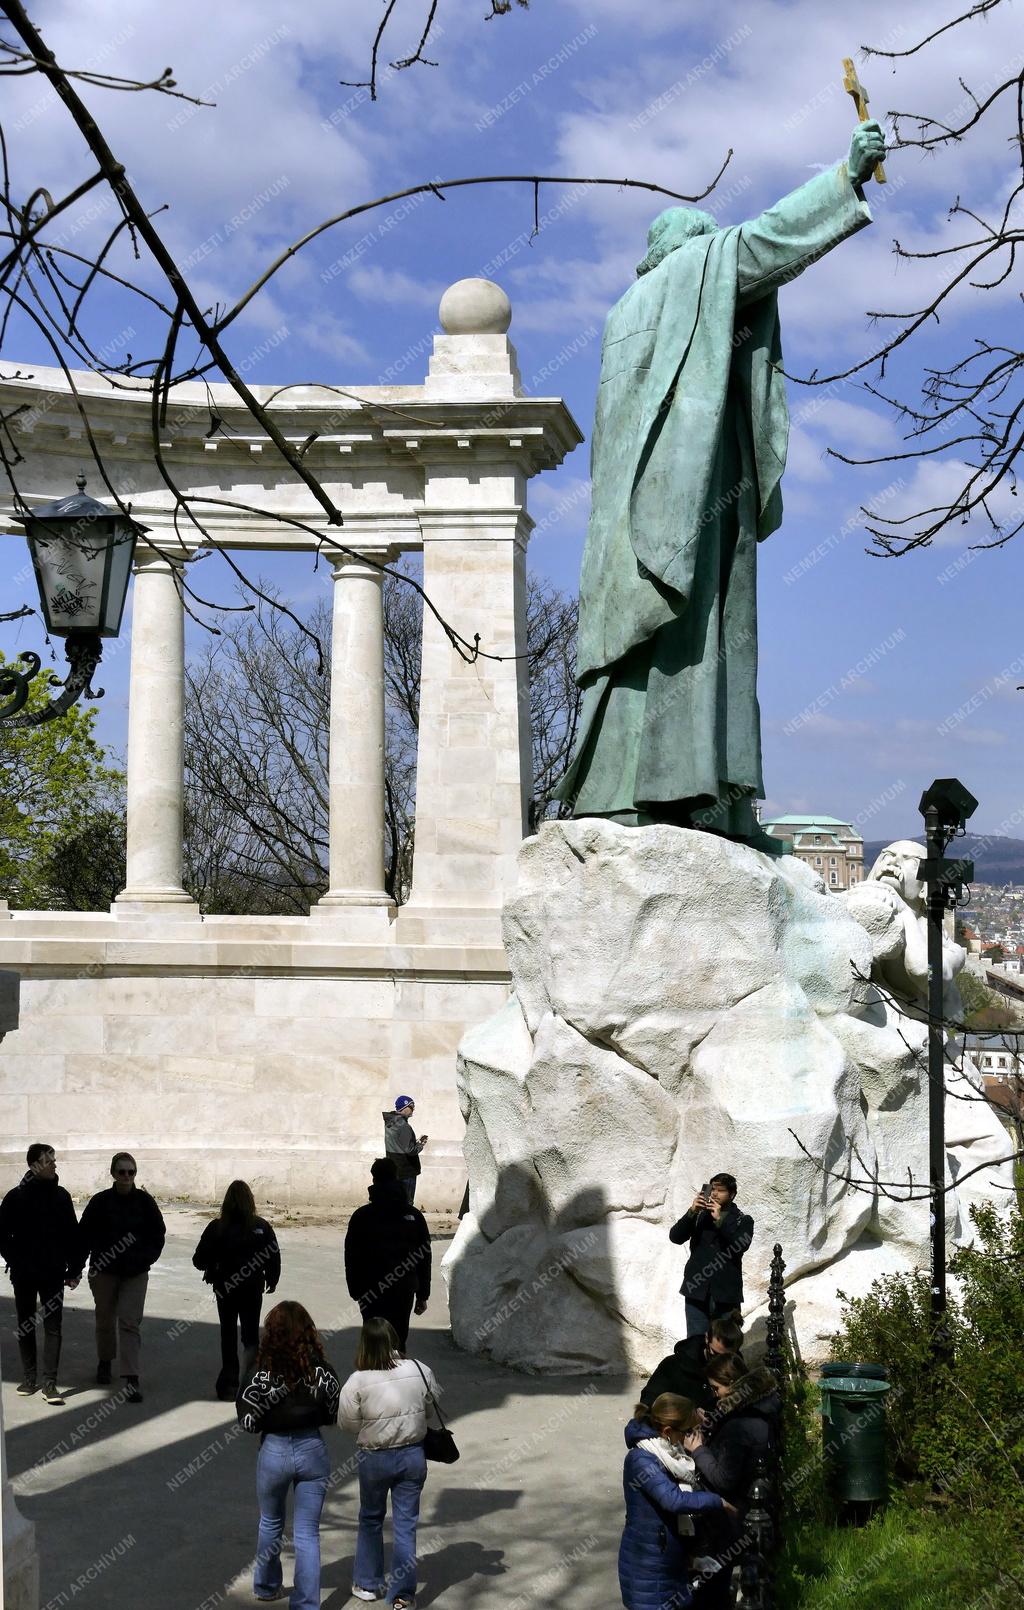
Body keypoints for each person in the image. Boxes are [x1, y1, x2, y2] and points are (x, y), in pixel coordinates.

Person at [555, 121, 887, 846]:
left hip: (625, 520)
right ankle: (696, 800)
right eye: (705, 237)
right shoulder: (692, 273)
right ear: (687, 249)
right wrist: (845, 175)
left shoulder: (623, 312)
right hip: (691, 496)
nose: (716, 250)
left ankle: (622, 792)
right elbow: (768, 241)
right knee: (701, 632)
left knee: (648, 640)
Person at [237, 1301, 340, 1609]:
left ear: (273, 1332)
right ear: (309, 1332)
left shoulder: (260, 1370)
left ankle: (267, 1585)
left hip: (275, 1450)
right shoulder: (322, 1370)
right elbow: (333, 1411)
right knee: (308, 1531)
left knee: (270, 1522)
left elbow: (248, 1421)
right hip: (312, 1450)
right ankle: (307, 1603)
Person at [338, 1316, 444, 1610]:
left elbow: (347, 1424)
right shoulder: (421, 1370)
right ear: (395, 1341)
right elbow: (428, 1412)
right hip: (413, 1456)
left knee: (371, 1519)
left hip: (375, 1458)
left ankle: (367, 1584)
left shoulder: (357, 1380)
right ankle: (402, 1596)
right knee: (405, 1525)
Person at [619, 1391, 734, 1610]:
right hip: (649, 1566)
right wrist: (716, 1501)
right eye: (686, 1431)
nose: (688, 1437)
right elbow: (673, 1500)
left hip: (667, 1560)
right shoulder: (641, 1460)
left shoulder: (667, 1453)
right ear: (667, 1431)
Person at [78, 1151, 165, 1403]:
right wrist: (75, 1268)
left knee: (129, 1322)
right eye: (122, 1172)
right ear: (113, 1174)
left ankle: (131, 1378)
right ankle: (105, 1361)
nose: (126, 1176)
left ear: (135, 1174)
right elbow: (84, 1235)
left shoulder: (145, 1202)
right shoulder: (100, 1202)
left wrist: (145, 1259)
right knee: (104, 1319)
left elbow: (157, 1233)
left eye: (131, 1172)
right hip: (104, 1271)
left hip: (135, 1273)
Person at [0, 1143, 83, 1405]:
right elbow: (2, 1235)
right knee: (25, 1325)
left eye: (54, 1160)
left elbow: (73, 1235)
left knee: (53, 1328)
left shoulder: (61, 1196)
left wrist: (75, 1268)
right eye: (50, 1161)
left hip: (52, 1273)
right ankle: (29, 1378)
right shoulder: (15, 1197)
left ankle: (50, 1384)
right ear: (35, 1165)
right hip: (24, 1273)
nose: (55, 1165)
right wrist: (15, 1259)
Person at [192, 1179, 281, 1400]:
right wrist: (272, 1279)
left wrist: (214, 1264)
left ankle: (229, 1382)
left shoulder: (217, 1228)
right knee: (250, 1335)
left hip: (226, 1288)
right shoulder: (261, 1226)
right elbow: (274, 1256)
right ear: (250, 1201)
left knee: (228, 1333)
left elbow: (199, 1260)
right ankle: (250, 1381)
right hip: (252, 1288)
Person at [345, 1158, 431, 1351]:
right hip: (403, 1288)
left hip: (370, 1289)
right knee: (398, 1339)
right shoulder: (414, 1216)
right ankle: (398, 1375)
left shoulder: (361, 1216)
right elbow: (424, 1257)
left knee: (373, 1340)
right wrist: (423, 1294)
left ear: (373, 1179)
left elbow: (351, 1256)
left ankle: (373, 1375)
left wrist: (355, 1289)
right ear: (396, 1177)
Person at [688, 1354, 780, 1506]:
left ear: (730, 1383)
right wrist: (714, 1422)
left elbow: (724, 1480)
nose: (715, 1394)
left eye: (716, 1388)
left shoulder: (738, 1427)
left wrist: (697, 1449)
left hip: (738, 1506)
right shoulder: (763, 1403)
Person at [669, 1174, 753, 1336]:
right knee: (695, 1344)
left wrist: (720, 1219)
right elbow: (675, 1237)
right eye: (712, 1189)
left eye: (720, 1190)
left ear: (732, 1194)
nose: (714, 1194)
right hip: (696, 1289)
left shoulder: (743, 1220)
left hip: (726, 1294)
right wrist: (691, 1212)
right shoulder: (700, 1215)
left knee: (726, 1345)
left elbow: (741, 1246)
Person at [639, 1314, 744, 1412]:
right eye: (715, 1354)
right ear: (707, 1338)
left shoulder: (737, 1368)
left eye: (726, 1358)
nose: (719, 1361)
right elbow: (648, 1401)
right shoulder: (674, 1365)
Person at [382, 1097, 428, 1204]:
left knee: (393, 1202)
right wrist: (420, 1145)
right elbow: (410, 1150)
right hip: (406, 1171)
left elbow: (399, 1144)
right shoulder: (403, 1126)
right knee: (406, 1203)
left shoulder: (391, 1122)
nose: (413, 1109)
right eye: (411, 1106)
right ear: (404, 1107)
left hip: (393, 1169)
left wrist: (412, 1142)